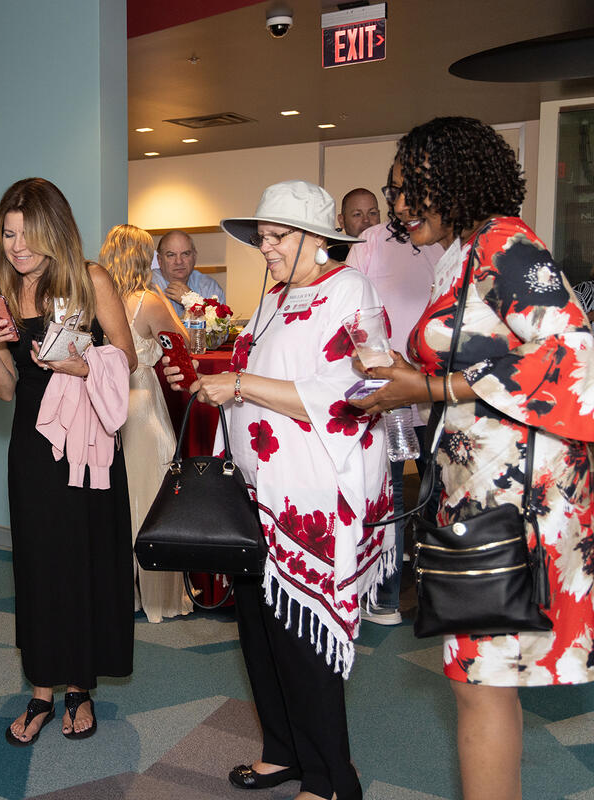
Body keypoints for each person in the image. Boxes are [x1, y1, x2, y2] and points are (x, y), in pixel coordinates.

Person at [351, 116, 594, 800]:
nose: (398, 205)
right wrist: (401, 381)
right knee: (479, 682)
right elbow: (478, 361)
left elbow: (573, 355)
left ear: (452, 180)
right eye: (393, 191)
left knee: (478, 681)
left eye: (409, 188)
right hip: (472, 496)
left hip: (513, 508)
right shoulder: (462, 253)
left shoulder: (508, 244)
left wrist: (427, 385)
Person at [169, 180, 393, 800]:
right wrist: (220, 380)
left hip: (312, 497)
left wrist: (239, 385)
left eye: (276, 237)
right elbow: (259, 371)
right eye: (262, 237)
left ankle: (330, 778)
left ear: (317, 241)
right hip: (256, 490)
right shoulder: (273, 296)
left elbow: (355, 392)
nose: (264, 248)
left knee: (302, 642)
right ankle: (283, 750)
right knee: (259, 630)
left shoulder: (350, 291)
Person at [0, 177, 135, 745]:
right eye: (8, 232)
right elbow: (4, 389)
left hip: (88, 444)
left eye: (28, 233)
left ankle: (81, 688)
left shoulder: (91, 280)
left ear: (55, 228)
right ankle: (42, 688)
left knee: (85, 558)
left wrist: (81, 363)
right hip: (33, 445)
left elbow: (128, 357)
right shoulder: (0, 290)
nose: (17, 246)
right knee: (39, 564)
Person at [346, 219, 442, 625]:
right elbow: (352, 316)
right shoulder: (370, 242)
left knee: (435, 494)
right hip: (385, 388)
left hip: (432, 387)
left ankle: (438, 599)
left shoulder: (445, 243)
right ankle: (386, 599)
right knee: (391, 494)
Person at [99, 223, 193, 623]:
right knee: (153, 499)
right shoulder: (147, 301)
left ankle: (122, 592)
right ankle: (161, 596)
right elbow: (183, 340)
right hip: (141, 405)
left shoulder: (96, 300)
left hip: (107, 408)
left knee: (120, 501)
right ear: (144, 258)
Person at [152, 229, 224, 318]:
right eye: (171, 255)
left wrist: (191, 299)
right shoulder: (148, 286)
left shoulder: (209, 286)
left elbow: (220, 328)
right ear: (159, 260)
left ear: (194, 257)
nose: (179, 261)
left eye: (185, 254)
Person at [326, 188, 381, 262]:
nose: (366, 220)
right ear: (341, 221)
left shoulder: (392, 253)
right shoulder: (329, 259)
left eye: (372, 213)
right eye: (357, 214)